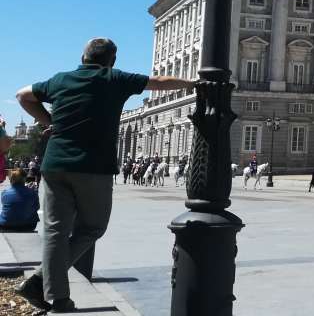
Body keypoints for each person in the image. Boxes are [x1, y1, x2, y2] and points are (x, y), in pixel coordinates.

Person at [13, 38, 195, 312]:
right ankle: (39, 281)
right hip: (93, 167)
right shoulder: (115, 79)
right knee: (93, 228)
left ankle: (58, 298)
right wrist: (191, 84)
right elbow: (158, 82)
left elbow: (22, 95)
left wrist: (48, 122)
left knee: (55, 233)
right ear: (112, 60)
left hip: (54, 165)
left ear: (83, 57)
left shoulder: (61, 79)